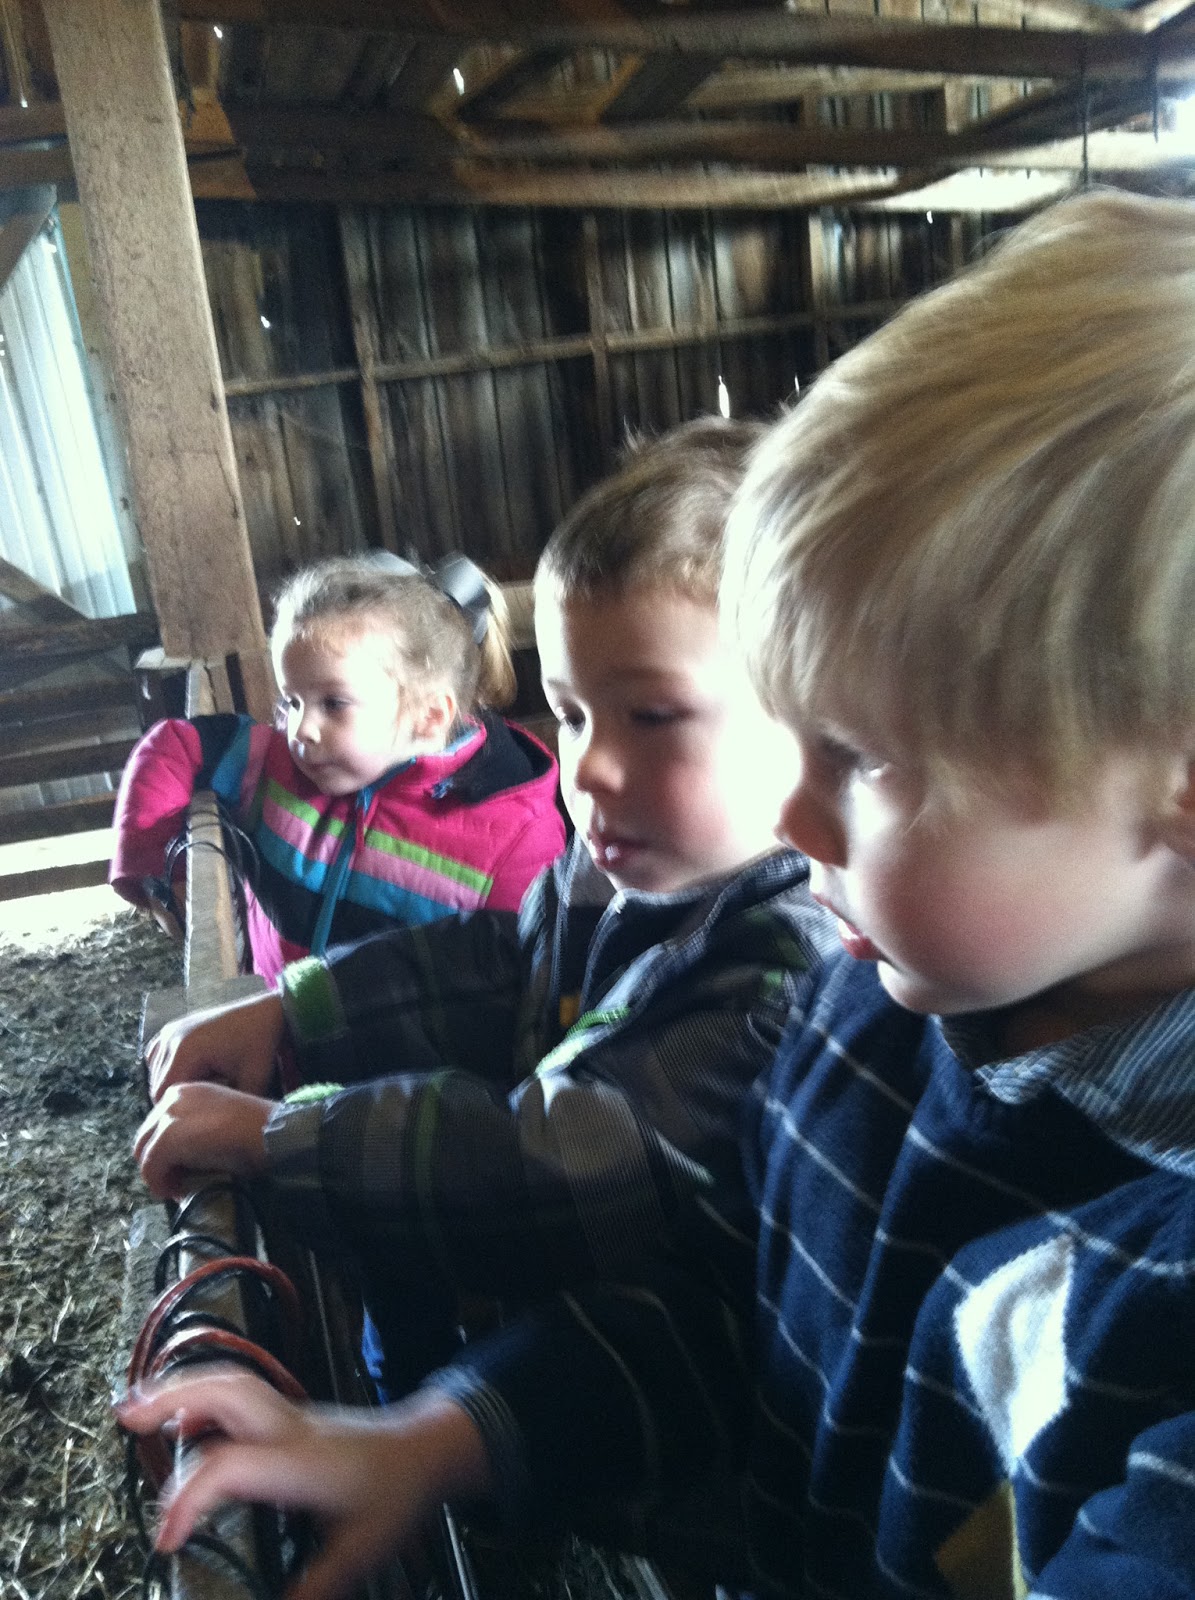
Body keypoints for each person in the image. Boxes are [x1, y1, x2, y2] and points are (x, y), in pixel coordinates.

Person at [120, 188, 1195, 1600]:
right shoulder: (873, 1028)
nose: (793, 821)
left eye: (861, 758)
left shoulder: (819, 993)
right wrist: (440, 1437)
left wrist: (287, 1135)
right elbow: (735, 1325)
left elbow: (583, 1165)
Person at [130, 417, 838, 1400]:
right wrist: (293, 1007)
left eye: (652, 715)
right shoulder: (622, 870)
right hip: (559, 1369)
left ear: (812, 714)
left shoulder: (784, 966)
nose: (586, 768)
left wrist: (279, 1135)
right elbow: (503, 960)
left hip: (676, 1419)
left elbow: (554, 1168)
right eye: (573, 713)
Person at [110, 552, 566, 984]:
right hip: (268, 1030)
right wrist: (160, 876)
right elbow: (174, 745)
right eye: (292, 701)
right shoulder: (273, 766)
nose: (301, 729)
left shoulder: (513, 839)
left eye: (333, 703)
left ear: (429, 715)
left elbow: (525, 982)